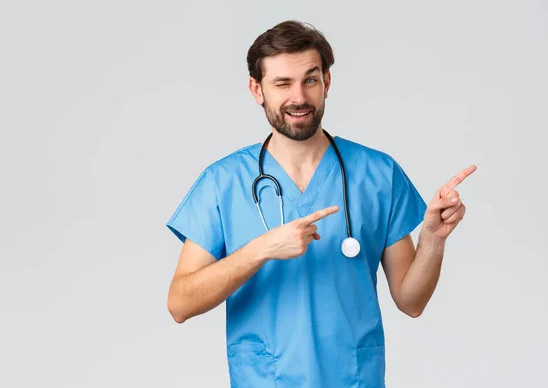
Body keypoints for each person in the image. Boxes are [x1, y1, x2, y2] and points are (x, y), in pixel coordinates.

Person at [165, 20, 476, 388]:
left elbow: (411, 301)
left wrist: (433, 241)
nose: (299, 97)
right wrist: (262, 249)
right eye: (282, 83)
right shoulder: (223, 183)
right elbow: (180, 304)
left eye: (310, 80)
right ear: (257, 89)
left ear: (326, 83)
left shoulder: (377, 174)